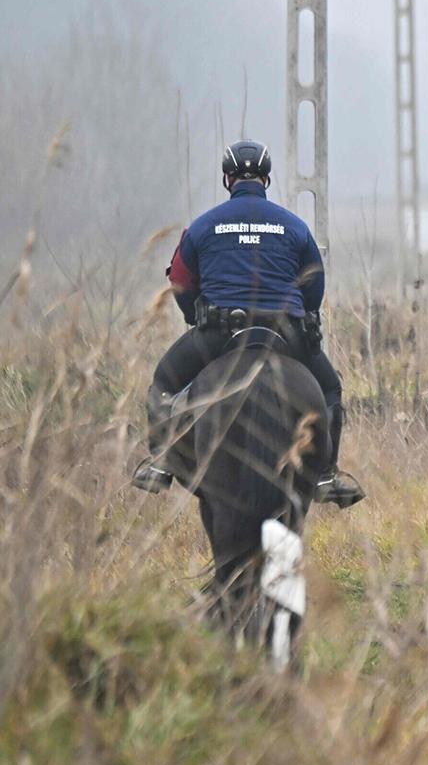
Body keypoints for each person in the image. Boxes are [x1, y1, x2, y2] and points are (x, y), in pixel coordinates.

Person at [131, 139, 363, 508]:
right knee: (331, 390)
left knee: (162, 384)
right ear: (267, 179)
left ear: (227, 178)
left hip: (219, 334)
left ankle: (160, 464)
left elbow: (180, 281)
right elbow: (314, 289)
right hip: (285, 335)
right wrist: (303, 323)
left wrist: (195, 317)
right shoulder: (295, 227)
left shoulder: (203, 227)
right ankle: (326, 475)